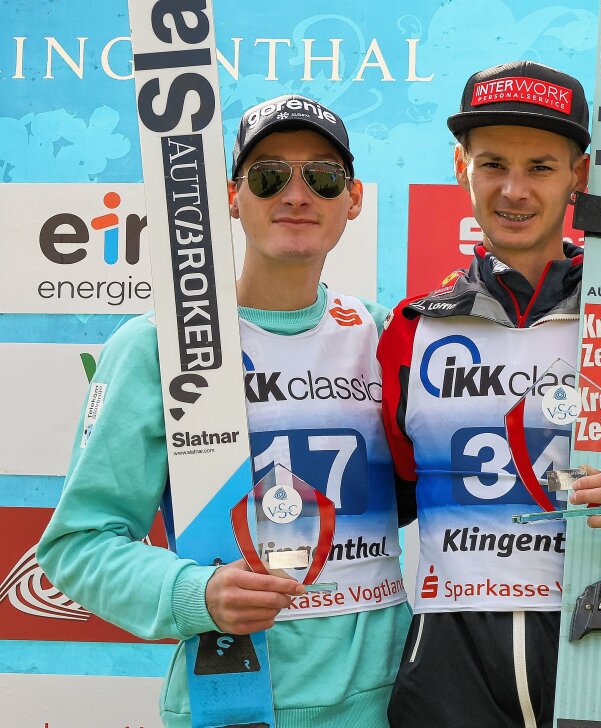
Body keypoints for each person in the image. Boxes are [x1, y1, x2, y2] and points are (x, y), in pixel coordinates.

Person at [377, 61, 601, 728]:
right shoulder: (411, 330)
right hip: (451, 682)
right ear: (461, 167)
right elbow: (382, 501)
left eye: (541, 166)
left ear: (581, 176)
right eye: (492, 165)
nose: (514, 190)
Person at [37, 94, 410, 727]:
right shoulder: (159, 348)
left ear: (354, 199)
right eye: (269, 176)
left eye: (322, 176)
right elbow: (78, 543)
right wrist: (194, 592)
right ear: (232, 196)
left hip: (391, 704)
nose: (296, 195)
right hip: (234, 702)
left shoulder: (385, 339)